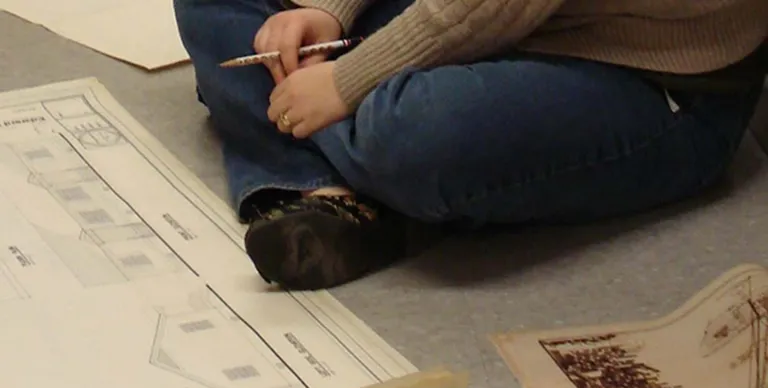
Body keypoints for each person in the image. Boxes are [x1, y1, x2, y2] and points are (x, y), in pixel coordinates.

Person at [173, 0, 768, 291]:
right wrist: (334, 11)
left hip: (653, 73)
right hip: (491, 16)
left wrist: (347, 81)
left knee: (416, 133)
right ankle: (329, 192)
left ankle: (299, 141)